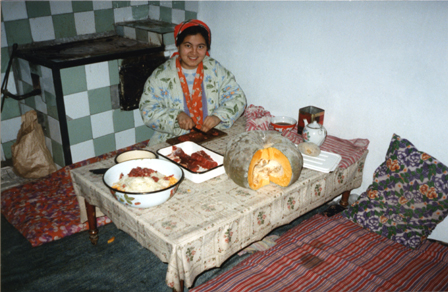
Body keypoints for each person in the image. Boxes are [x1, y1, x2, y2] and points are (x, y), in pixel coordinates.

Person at [139, 19, 247, 146]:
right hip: (172, 139)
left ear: (206, 47)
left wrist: (218, 117)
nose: (194, 52)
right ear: (178, 45)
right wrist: (176, 116)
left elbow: (237, 97)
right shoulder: (162, 75)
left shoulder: (215, 69)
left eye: (200, 46)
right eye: (188, 45)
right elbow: (147, 110)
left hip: (211, 134)